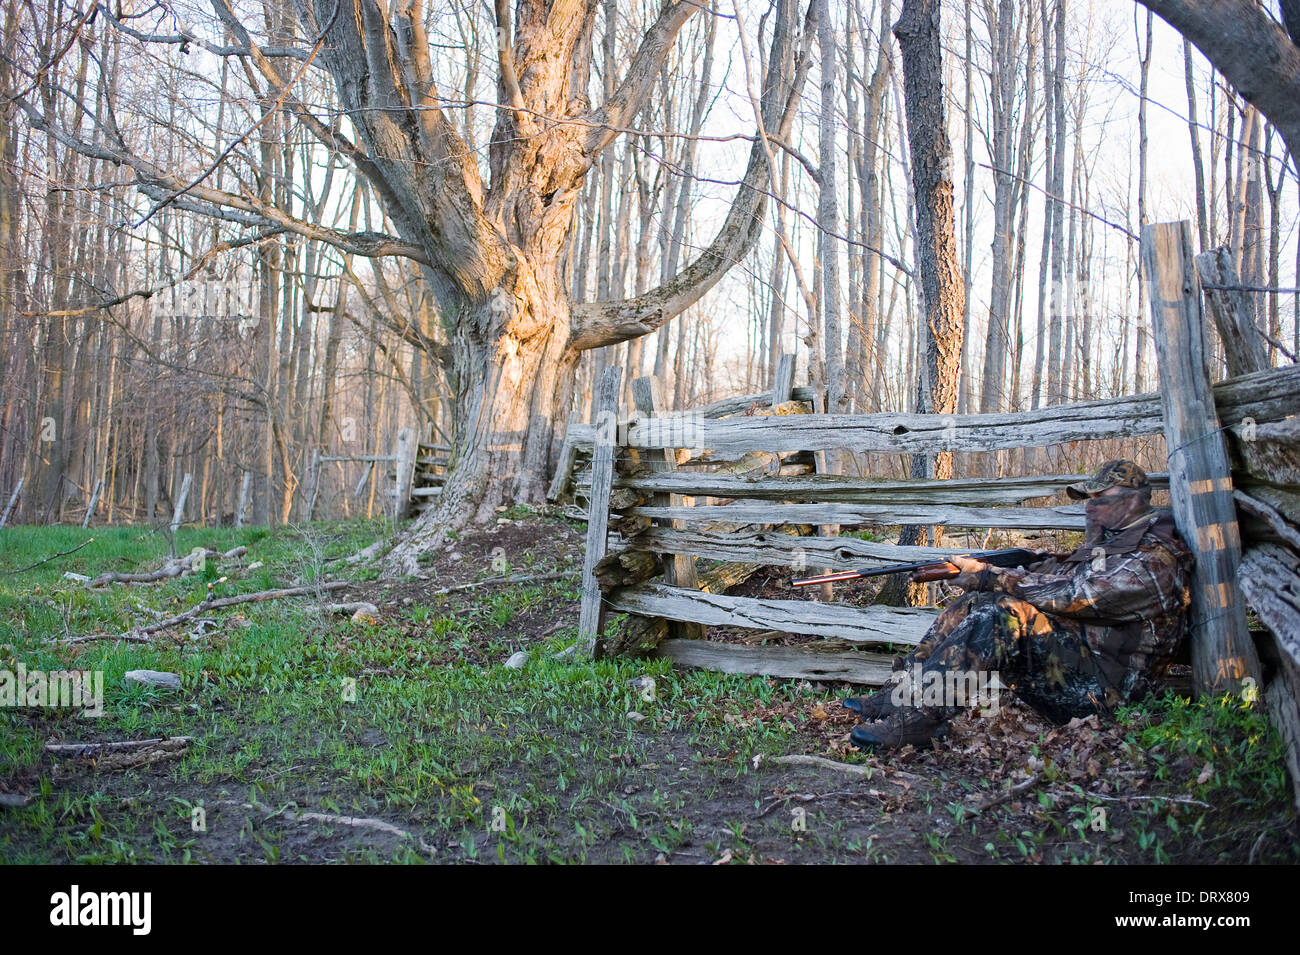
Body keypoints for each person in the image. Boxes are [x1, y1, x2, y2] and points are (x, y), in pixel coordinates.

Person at [845, 459, 1193, 749]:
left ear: (1134, 500)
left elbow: (1077, 595)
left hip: (1109, 697)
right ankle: (902, 696)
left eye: (1100, 498)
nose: (1089, 507)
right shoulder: (1109, 546)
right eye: (1087, 499)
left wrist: (992, 575)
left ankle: (921, 721)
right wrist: (995, 571)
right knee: (979, 600)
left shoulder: (1154, 560)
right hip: (1079, 670)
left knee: (1005, 616)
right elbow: (1057, 573)